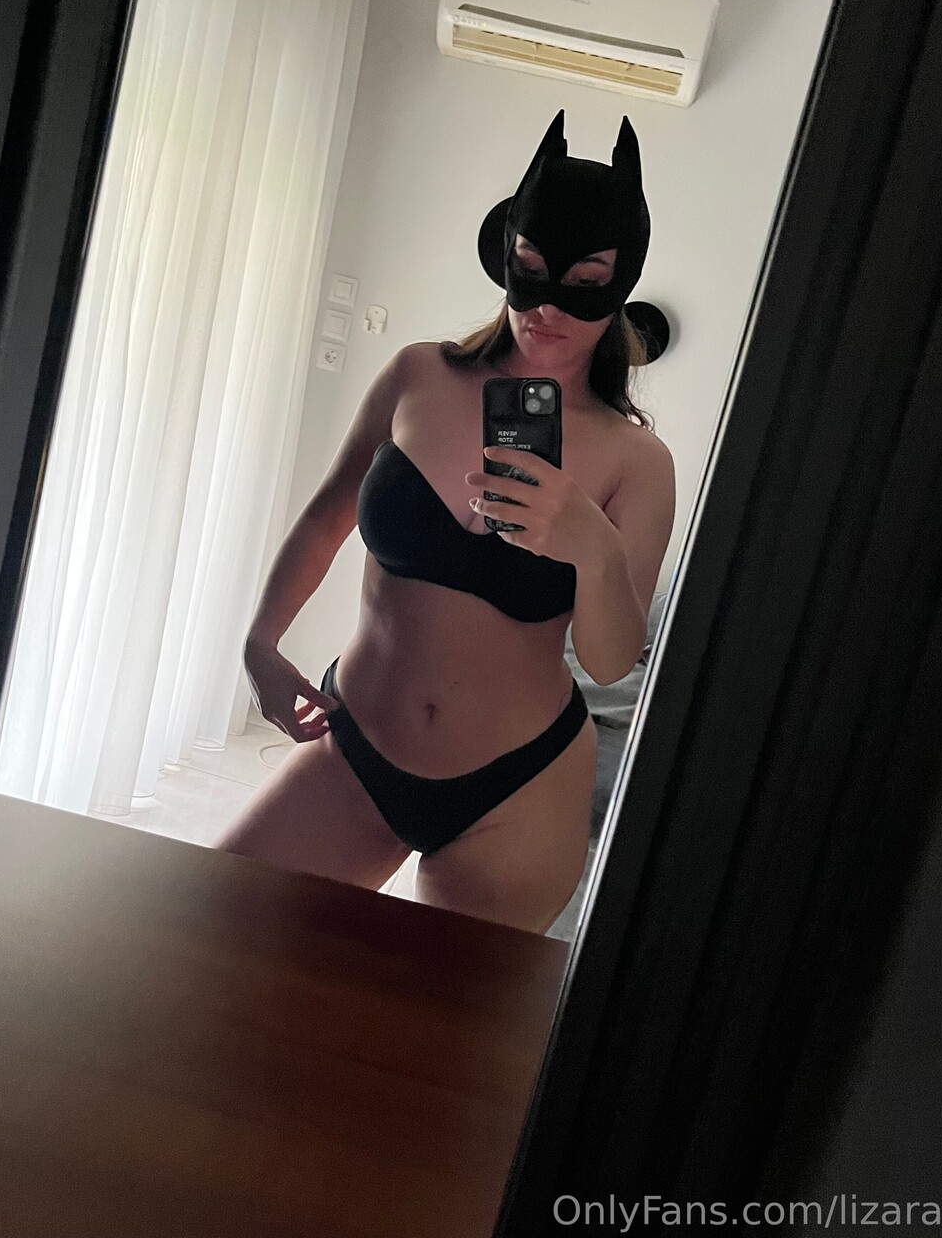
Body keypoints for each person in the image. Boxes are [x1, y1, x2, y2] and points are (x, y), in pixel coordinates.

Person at [219, 109, 676, 934]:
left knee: (441, 1013)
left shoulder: (636, 461)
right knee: (210, 935)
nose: (547, 308)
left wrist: (594, 550)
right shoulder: (417, 377)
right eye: (530, 269)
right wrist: (261, 642)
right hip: (358, 745)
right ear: (505, 256)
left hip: (520, 788)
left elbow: (611, 662)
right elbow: (327, 515)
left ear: (620, 285)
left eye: (583, 284)